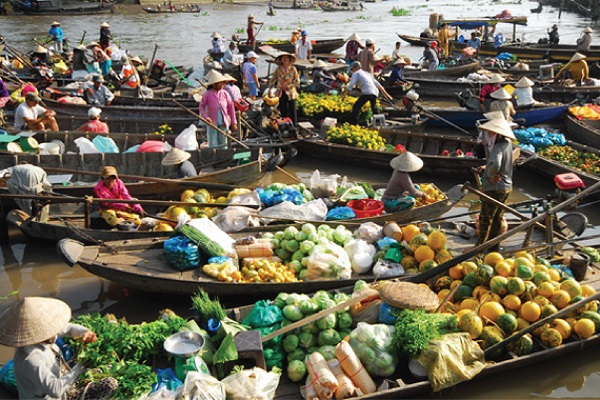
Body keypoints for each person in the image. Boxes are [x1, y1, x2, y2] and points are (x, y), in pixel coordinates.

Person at [0, 297, 118, 400]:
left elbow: (67, 328)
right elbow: (55, 390)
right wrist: (81, 366)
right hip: (56, 396)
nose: (56, 330)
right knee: (109, 384)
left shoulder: (43, 336)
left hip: (64, 384)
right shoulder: (31, 359)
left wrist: (84, 332)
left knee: (104, 369)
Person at [474, 117, 515, 251]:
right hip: (506, 187)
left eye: (491, 133)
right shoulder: (507, 144)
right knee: (497, 218)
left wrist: (491, 174)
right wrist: (487, 167)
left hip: (495, 188)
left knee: (485, 218)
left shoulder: (498, 147)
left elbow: (496, 164)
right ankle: (493, 247)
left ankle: (479, 249)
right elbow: (502, 162)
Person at [343, 61, 392, 125]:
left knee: (356, 106)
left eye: (352, 69)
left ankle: (354, 122)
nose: (352, 71)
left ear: (357, 67)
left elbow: (350, 85)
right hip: (374, 92)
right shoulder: (367, 74)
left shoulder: (356, 73)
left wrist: (345, 95)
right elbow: (379, 85)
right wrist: (387, 95)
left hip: (367, 92)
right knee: (374, 107)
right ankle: (378, 122)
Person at [199, 71, 237, 148]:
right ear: (214, 84)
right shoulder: (208, 94)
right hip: (212, 122)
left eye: (223, 83)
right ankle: (214, 157)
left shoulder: (225, 93)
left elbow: (231, 108)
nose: (222, 85)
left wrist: (234, 122)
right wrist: (206, 117)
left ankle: (223, 155)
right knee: (213, 143)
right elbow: (201, 107)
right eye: (220, 83)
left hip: (223, 122)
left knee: (223, 143)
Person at [269, 52, 300, 125]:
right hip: (281, 92)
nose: (285, 59)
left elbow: (297, 81)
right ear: (281, 60)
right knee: (283, 110)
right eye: (283, 58)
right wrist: (270, 88)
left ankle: (294, 127)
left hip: (291, 92)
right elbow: (273, 79)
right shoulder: (278, 69)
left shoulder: (293, 68)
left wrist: (288, 86)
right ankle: (284, 126)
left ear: (289, 60)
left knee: (292, 110)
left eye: (286, 58)